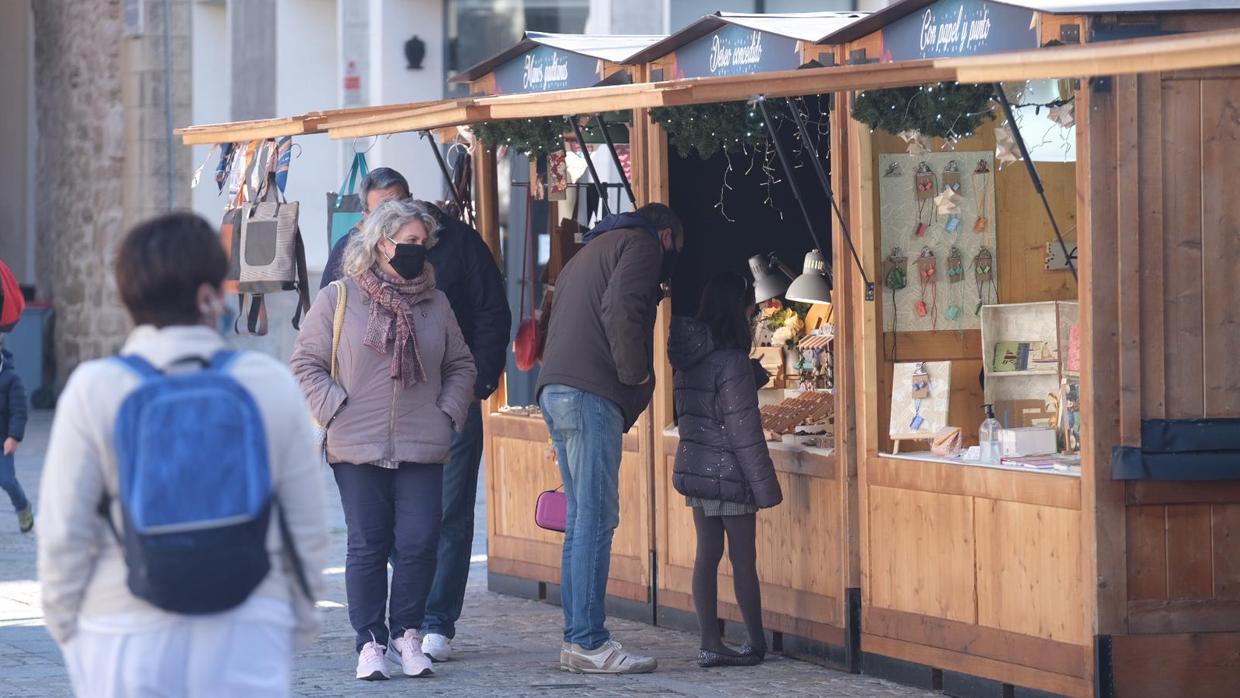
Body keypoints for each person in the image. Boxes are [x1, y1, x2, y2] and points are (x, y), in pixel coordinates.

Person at [37, 212, 329, 698]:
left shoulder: (95, 388)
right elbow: (306, 523)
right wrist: (292, 619)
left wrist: (70, 626)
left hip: (124, 627)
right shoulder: (267, 383)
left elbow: (63, 529)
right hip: (248, 622)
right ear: (210, 293)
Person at [321, 168, 509, 663]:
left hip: (437, 415)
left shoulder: (455, 253)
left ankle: (432, 623)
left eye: (401, 208)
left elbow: (489, 317)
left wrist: (462, 399)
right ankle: (375, 637)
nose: (409, 239)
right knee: (372, 535)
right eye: (381, 213)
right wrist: (336, 409)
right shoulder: (344, 269)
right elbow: (313, 350)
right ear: (371, 227)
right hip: (362, 429)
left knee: (435, 525)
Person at [291, 199, 477, 681]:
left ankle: (407, 634)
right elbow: (305, 363)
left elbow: (461, 365)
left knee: (419, 542)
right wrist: (336, 409)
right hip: (356, 443)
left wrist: (446, 414)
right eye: (407, 242)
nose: (416, 251)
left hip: (423, 440)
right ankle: (370, 642)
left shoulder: (436, 303)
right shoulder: (340, 298)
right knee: (368, 544)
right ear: (380, 243)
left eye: (422, 243)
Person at [536, 203, 683, 674]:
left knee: (581, 519)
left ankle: (577, 640)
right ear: (666, 236)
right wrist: (635, 374)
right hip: (590, 392)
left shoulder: (594, 248)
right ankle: (588, 640)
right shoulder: (639, 246)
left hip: (558, 388)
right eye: (675, 248)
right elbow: (623, 309)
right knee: (595, 519)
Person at [668, 272, 783, 668]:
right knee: (743, 560)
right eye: (750, 304)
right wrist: (764, 486)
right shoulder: (731, 360)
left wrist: (748, 374)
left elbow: (701, 409)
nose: (753, 311)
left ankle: (709, 642)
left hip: (698, 465)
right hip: (731, 472)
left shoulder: (689, 355)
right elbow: (742, 430)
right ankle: (755, 643)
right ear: (737, 308)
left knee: (707, 554)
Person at [0, 338, 31, 533]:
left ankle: (23, 508)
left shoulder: (12, 379)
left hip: (3, 439)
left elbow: (19, 411)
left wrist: (13, 437)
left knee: (7, 480)